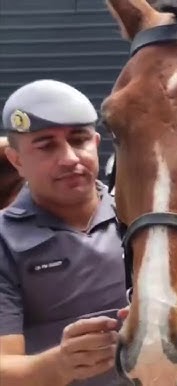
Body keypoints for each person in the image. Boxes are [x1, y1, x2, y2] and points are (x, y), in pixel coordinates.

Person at [0, 79, 128, 386]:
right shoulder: (4, 243)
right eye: (46, 146)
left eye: (79, 139)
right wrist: (60, 364)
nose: (70, 158)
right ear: (17, 160)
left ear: (96, 144)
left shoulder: (138, 217)